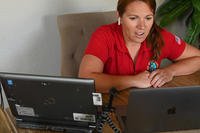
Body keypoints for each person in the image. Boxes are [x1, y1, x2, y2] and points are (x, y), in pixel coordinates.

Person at [78, 0, 200, 94]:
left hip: (147, 106)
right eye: (133, 18)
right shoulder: (104, 35)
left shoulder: (160, 36)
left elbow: (197, 58)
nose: (142, 26)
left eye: (148, 18)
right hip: (109, 105)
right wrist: (133, 80)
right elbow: (86, 78)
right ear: (119, 16)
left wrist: (170, 71)